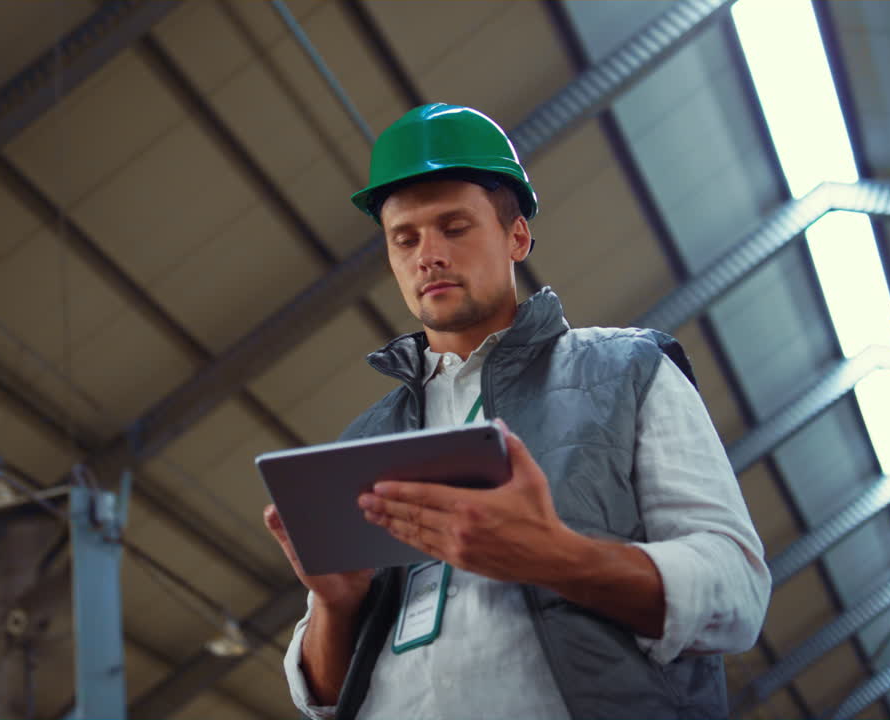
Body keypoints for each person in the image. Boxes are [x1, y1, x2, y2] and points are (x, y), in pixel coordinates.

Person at [262, 103, 770, 719]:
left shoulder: (628, 370)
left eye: (455, 227)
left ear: (517, 237)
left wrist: (559, 559)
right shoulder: (360, 443)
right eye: (405, 239)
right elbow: (323, 698)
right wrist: (336, 607)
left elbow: (737, 591)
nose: (428, 255)